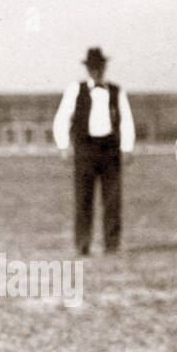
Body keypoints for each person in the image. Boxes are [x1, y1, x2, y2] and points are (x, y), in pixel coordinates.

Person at [52, 47, 136, 255]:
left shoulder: (116, 91)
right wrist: (63, 146)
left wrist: (127, 147)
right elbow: (62, 118)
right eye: (92, 68)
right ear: (87, 69)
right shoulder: (75, 89)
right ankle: (82, 244)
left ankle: (112, 244)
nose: (96, 71)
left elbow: (126, 120)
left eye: (99, 67)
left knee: (112, 199)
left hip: (110, 150)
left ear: (104, 68)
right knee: (83, 199)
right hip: (85, 150)